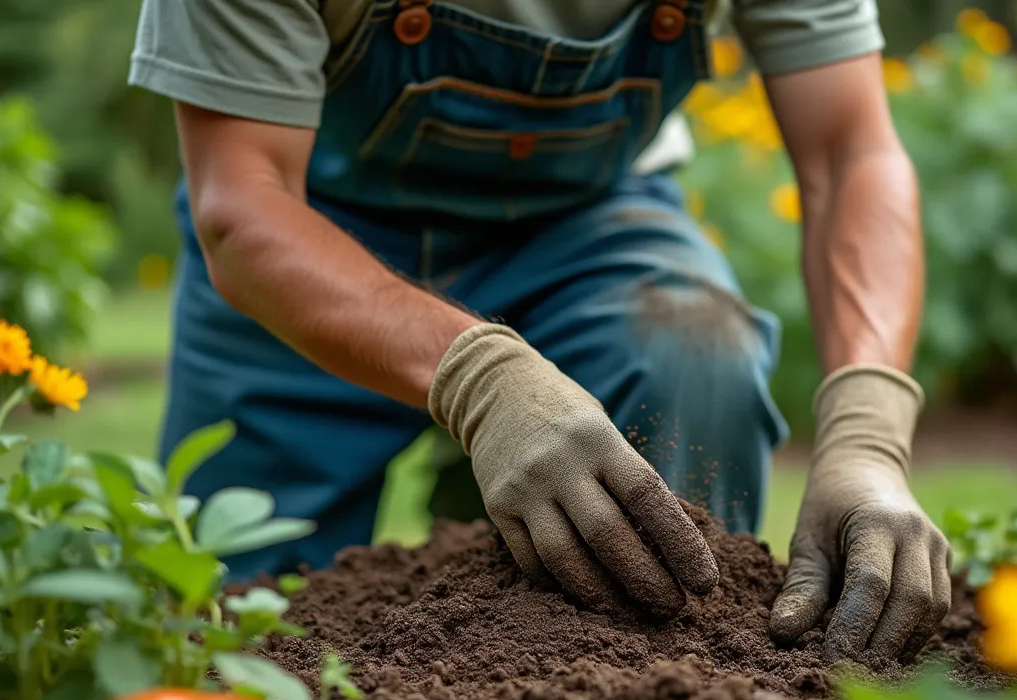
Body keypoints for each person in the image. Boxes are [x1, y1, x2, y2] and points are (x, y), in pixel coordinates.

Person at [129, 0, 952, 662]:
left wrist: (866, 435)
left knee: (691, 355)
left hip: (585, 224)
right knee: (232, 645)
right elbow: (246, 198)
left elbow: (852, 154)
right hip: (308, 239)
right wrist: (483, 381)